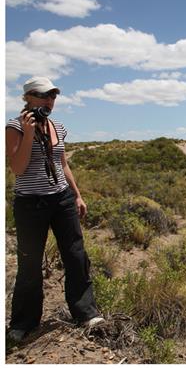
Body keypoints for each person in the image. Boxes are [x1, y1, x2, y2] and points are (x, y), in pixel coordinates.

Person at [5, 77, 104, 343]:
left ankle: (85, 312)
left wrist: (77, 194)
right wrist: (28, 134)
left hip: (61, 200)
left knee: (75, 255)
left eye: (53, 96)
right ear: (28, 98)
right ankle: (24, 322)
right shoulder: (14, 127)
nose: (49, 101)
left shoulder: (57, 126)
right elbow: (18, 168)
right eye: (43, 95)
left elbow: (62, 164)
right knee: (29, 263)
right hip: (30, 203)